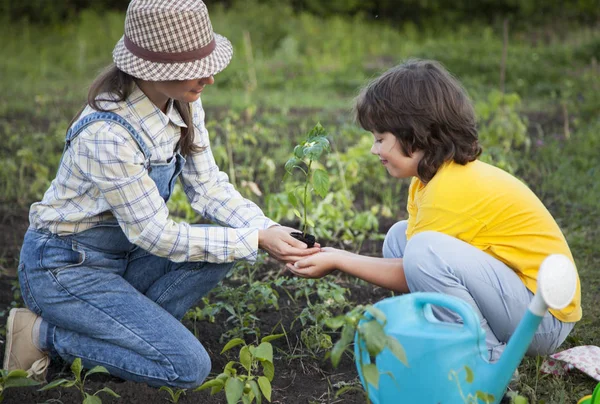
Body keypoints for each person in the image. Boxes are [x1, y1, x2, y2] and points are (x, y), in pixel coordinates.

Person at [4, 0, 319, 388]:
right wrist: (253, 239)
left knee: (222, 247)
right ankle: (42, 335)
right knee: (185, 367)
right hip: (66, 267)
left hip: (123, 255)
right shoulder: (107, 133)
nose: (209, 80)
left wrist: (269, 230)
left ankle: (130, 332)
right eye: (192, 70)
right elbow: (154, 235)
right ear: (150, 71)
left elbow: (208, 187)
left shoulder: (183, 101)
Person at [288, 59, 581, 362]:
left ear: (416, 135)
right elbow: (411, 262)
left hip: (543, 318)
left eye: (380, 139)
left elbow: (412, 269)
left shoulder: (451, 187)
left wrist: (338, 258)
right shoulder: (427, 181)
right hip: (520, 305)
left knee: (422, 251)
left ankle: (487, 362)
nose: (374, 150)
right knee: (399, 238)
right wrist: (337, 256)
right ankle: (443, 338)